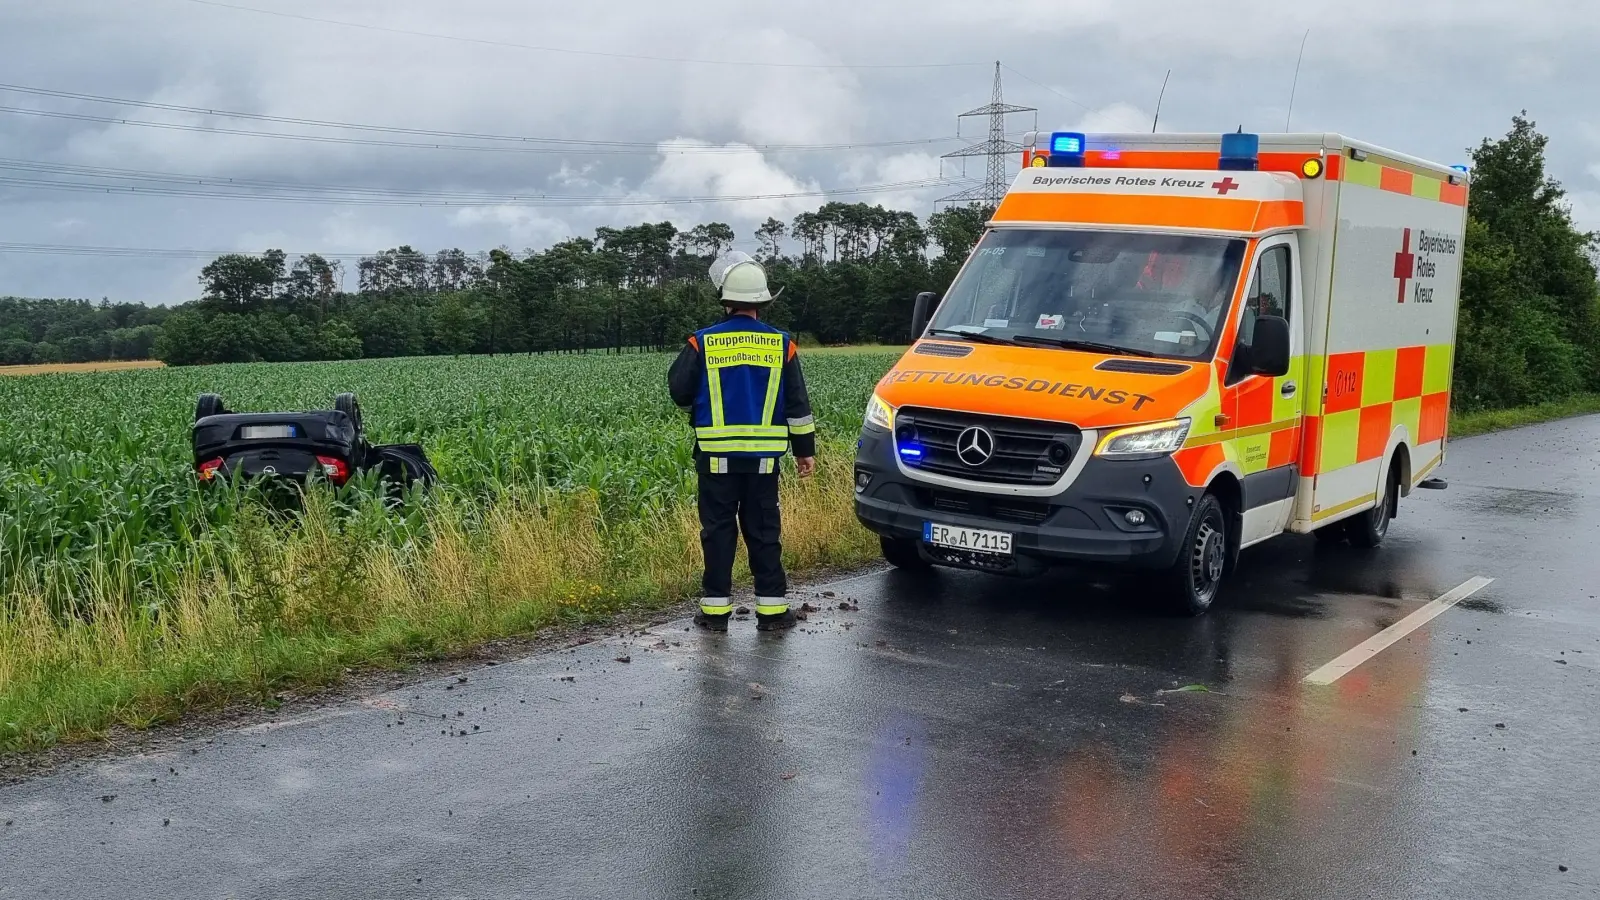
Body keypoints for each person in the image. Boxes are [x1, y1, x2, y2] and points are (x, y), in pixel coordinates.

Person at [667, 252, 817, 633]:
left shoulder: (702, 343)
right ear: (762, 301)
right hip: (763, 462)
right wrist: (804, 452)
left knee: (718, 533)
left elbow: (679, 393)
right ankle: (772, 612)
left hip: (716, 461)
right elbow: (798, 406)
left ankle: (715, 615)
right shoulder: (782, 345)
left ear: (726, 298)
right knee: (764, 533)